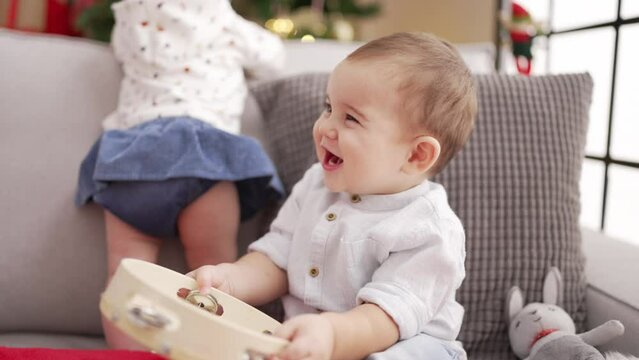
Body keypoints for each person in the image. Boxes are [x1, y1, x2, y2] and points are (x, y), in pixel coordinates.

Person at [188, 32, 478, 360]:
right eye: (328, 108)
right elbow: (277, 260)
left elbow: (384, 320)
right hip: (321, 343)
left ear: (416, 156)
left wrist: (331, 334)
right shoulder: (316, 184)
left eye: (350, 118)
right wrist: (230, 280)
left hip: (407, 346)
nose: (326, 127)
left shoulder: (429, 226)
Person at [74, 0, 285, 348]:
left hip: (137, 159)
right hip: (204, 157)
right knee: (213, 275)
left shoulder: (131, 15)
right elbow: (273, 58)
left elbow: (119, 48)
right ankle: (207, 350)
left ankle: (126, 354)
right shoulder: (222, 20)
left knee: (126, 273)